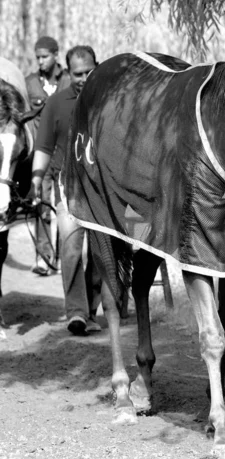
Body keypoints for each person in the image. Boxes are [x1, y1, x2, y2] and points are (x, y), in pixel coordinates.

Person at [30, 45, 102, 336]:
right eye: (77, 74)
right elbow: (44, 146)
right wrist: (36, 180)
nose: (84, 78)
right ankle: (76, 313)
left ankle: (92, 309)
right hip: (67, 188)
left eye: (89, 71)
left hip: (102, 190)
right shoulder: (57, 103)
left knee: (100, 253)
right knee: (71, 248)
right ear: (68, 73)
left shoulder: (110, 99)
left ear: (97, 66)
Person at [25, 36, 70, 276]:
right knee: (40, 204)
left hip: (64, 154)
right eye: (38, 57)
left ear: (55, 54)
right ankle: (43, 257)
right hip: (41, 154)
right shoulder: (30, 83)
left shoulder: (70, 79)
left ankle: (64, 257)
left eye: (45, 56)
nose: (41, 61)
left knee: (64, 206)